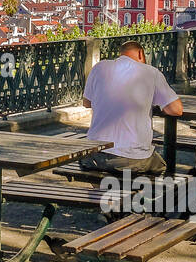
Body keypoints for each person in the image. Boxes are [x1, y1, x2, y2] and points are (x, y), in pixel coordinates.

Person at [77, 40, 182, 174]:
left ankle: (106, 192)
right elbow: (176, 110)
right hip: (132, 157)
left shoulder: (99, 67)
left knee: (100, 173)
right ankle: (136, 194)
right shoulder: (151, 72)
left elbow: (87, 102)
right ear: (140, 53)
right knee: (161, 166)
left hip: (92, 156)